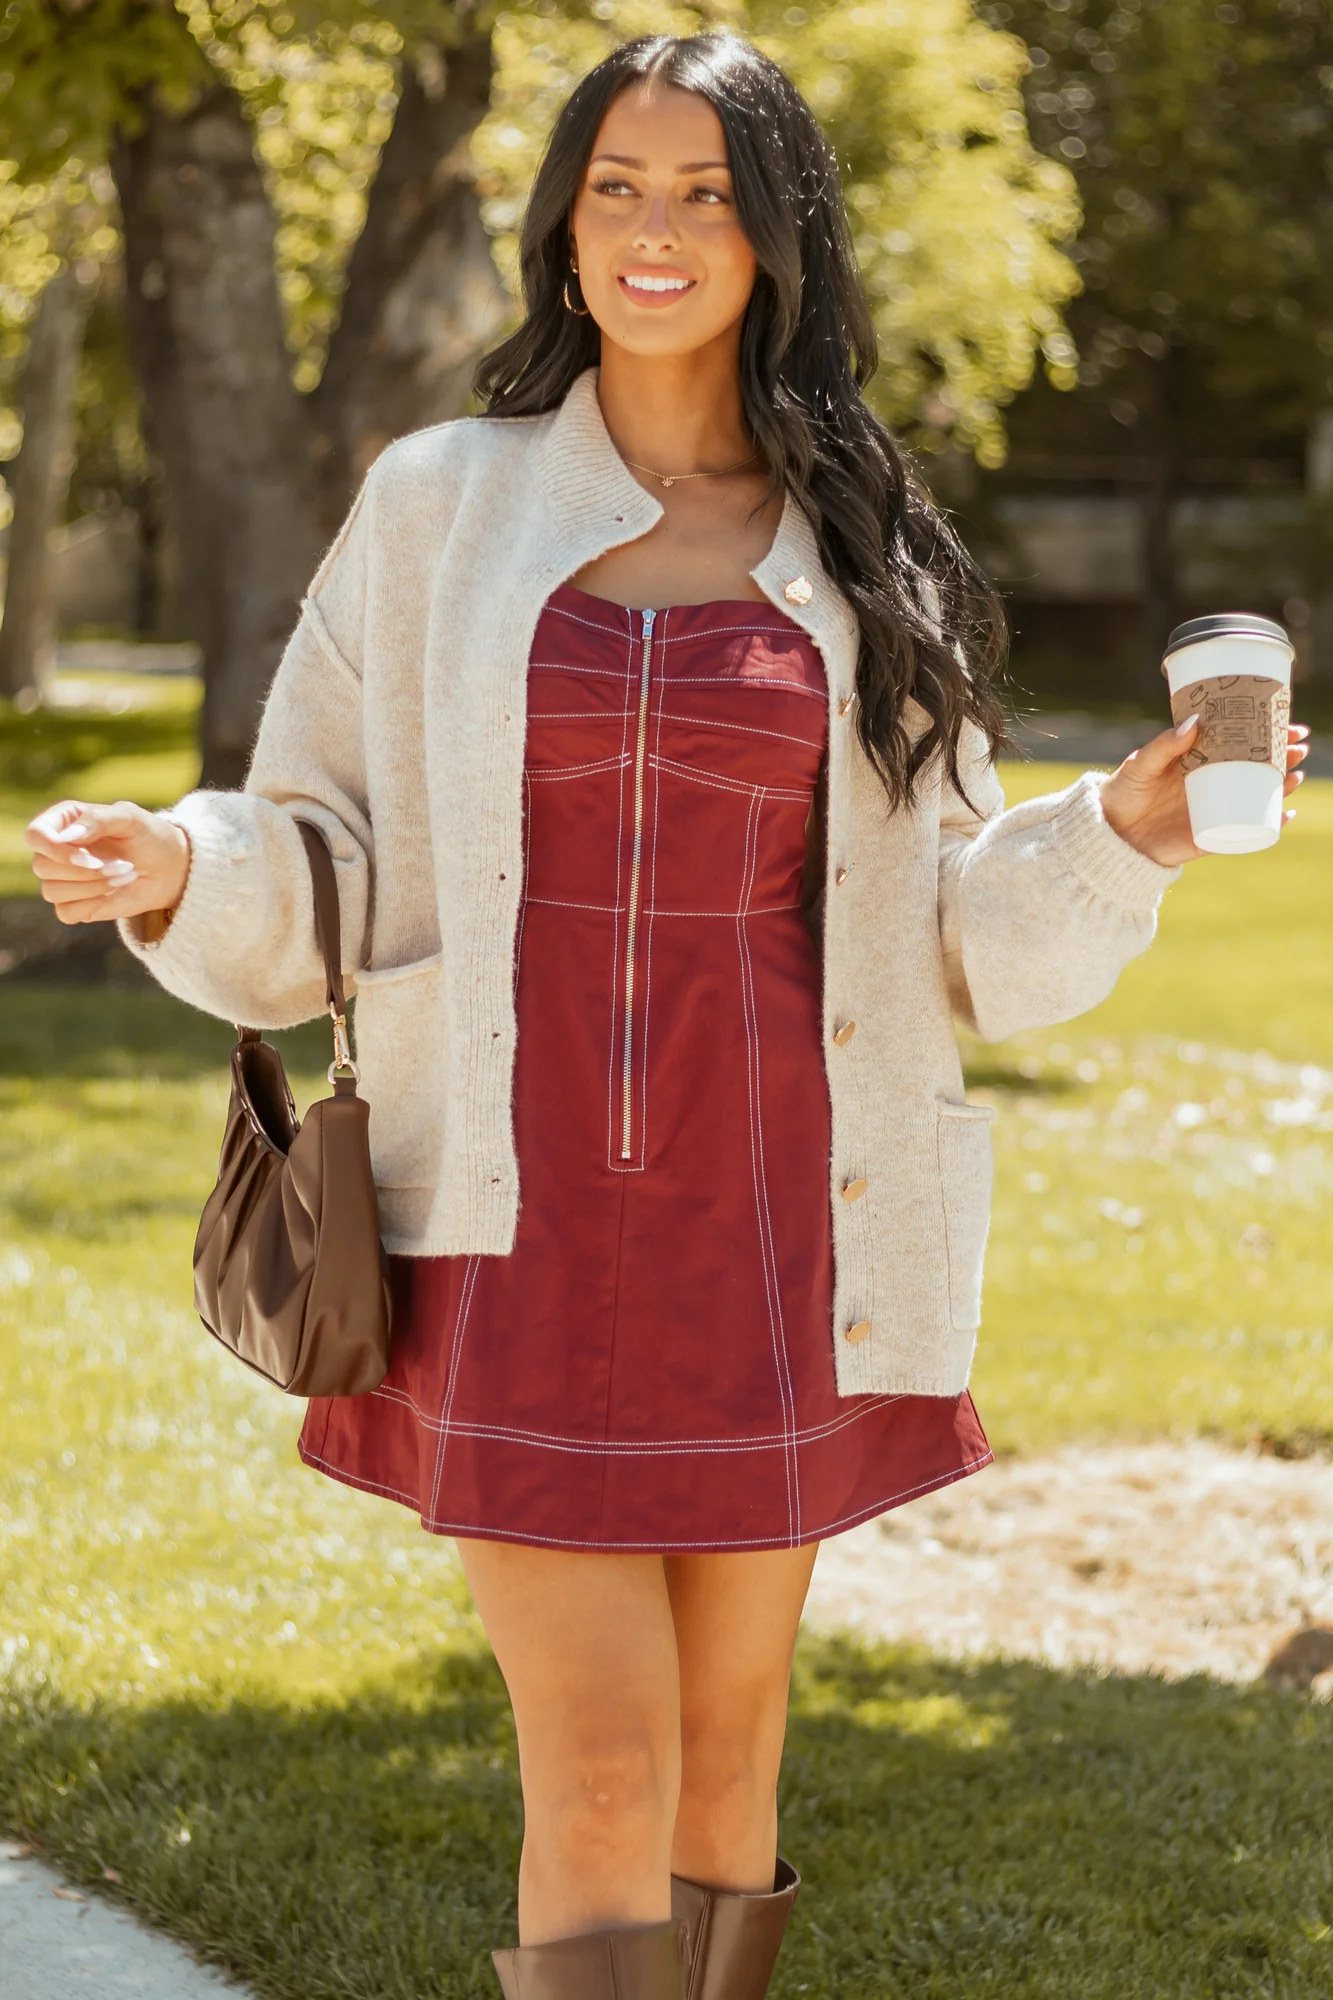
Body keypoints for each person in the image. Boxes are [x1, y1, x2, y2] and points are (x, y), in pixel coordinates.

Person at [25, 32, 1306, 2000]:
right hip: (508, 1228)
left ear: (777, 237)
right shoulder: (439, 503)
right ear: (560, 226)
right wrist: (188, 866)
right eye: (618, 184)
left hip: (787, 1219)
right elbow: (321, 828)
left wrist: (1124, 826)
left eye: (708, 190)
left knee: (730, 1770)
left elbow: (948, 926)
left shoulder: (866, 537)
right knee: (604, 1762)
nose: (658, 228)